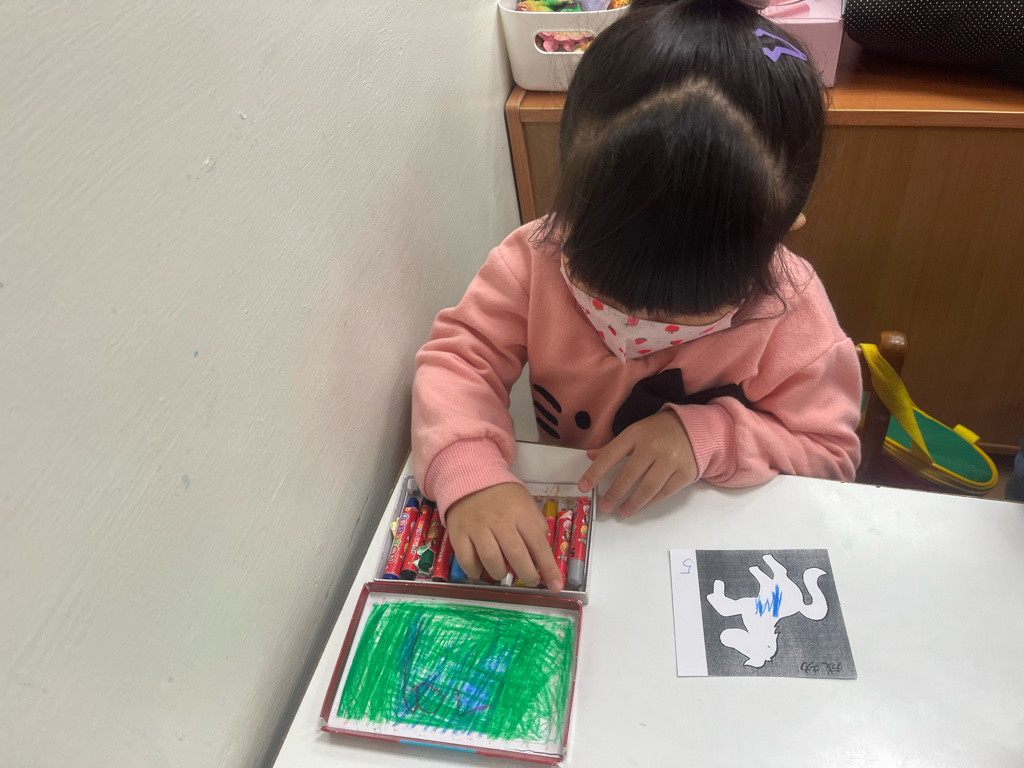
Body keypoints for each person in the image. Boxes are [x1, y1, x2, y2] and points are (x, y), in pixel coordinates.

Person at [411, 0, 861, 591]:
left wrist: (710, 436)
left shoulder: (791, 313)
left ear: (780, 234)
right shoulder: (533, 259)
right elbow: (459, 360)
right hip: (596, 534)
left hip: (706, 551)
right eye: (604, 287)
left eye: (684, 309)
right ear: (572, 200)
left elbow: (829, 455)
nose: (634, 323)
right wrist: (470, 471)